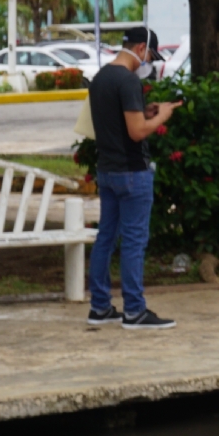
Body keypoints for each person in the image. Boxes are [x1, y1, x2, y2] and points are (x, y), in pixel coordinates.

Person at [88, 26, 181, 329]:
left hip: (107, 169)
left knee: (105, 238)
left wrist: (146, 110)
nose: (149, 61)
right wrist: (162, 117)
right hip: (132, 172)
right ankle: (134, 311)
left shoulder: (101, 77)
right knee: (133, 242)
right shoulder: (128, 81)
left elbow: (116, 119)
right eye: (151, 55)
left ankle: (100, 307)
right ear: (141, 49)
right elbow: (136, 131)